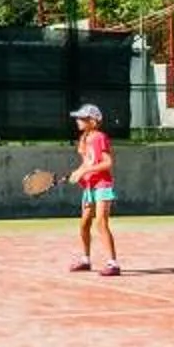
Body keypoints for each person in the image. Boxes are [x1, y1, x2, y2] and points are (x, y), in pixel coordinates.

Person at [63, 102, 119, 276]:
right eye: (78, 118)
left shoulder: (100, 137)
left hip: (102, 185)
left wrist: (86, 170)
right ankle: (86, 260)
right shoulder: (84, 139)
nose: (78, 120)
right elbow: (87, 162)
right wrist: (78, 173)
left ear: (93, 121)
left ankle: (113, 264)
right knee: (84, 224)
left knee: (101, 222)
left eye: (82, 118)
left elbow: (107, 163)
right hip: (89, 186)